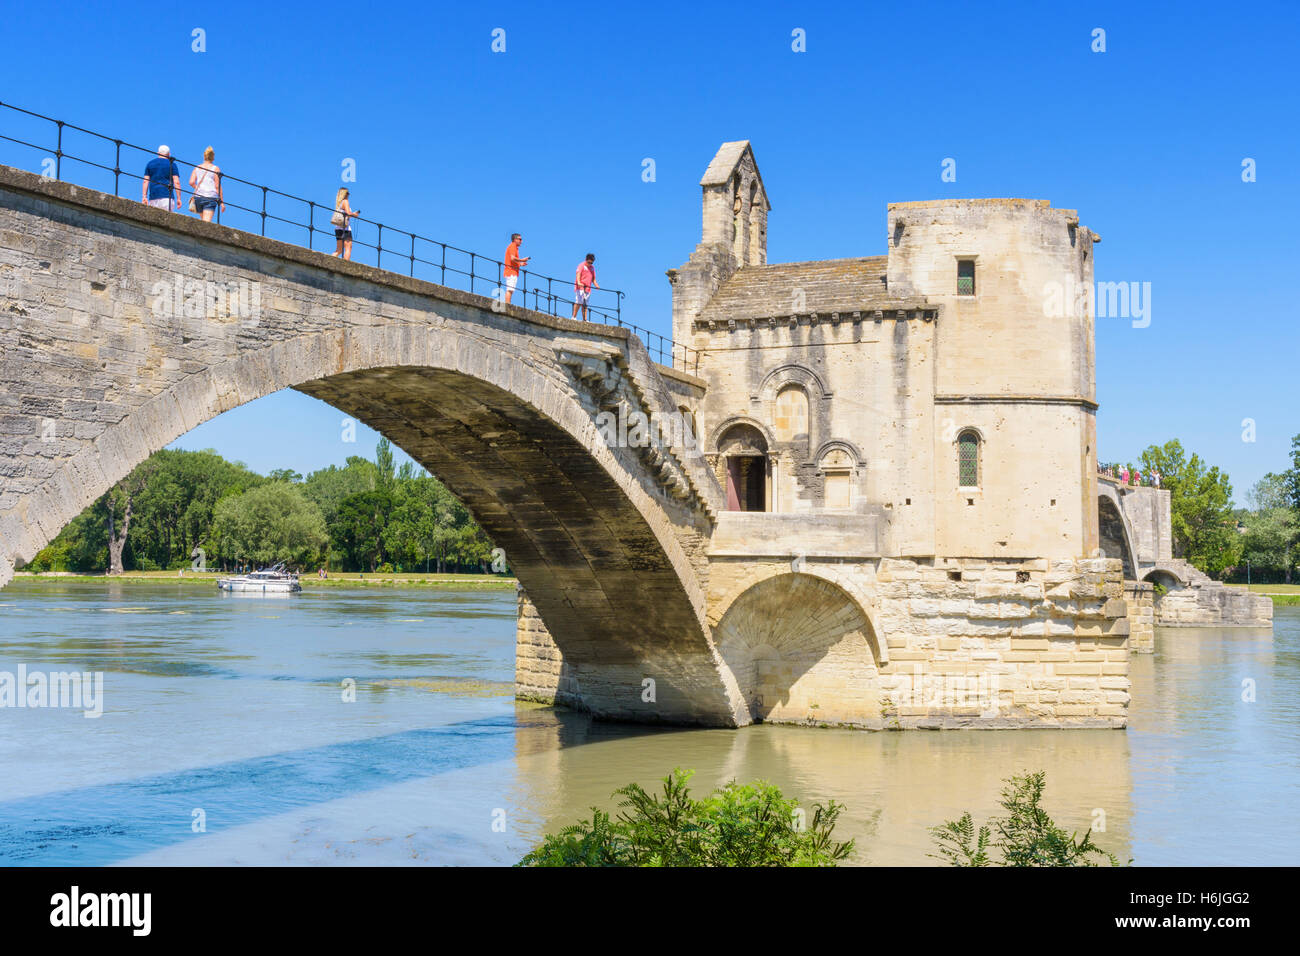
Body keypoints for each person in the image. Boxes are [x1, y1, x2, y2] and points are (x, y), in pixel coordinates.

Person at [189, 146, 224, 222]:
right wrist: (222, 202)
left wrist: (199, 188)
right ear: (213, 157)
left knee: (203, 222)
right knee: (206, 224)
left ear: (204, 156)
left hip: (198, 197)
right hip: (210, 197)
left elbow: (191, 182)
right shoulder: (215, 168)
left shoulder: (197, 167)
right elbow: (217, 186)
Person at [141, 145, 181, 211]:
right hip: (167, 197)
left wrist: (144, 197)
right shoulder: (172, 164)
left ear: (158, 153)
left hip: (153, 197)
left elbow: (145, 181)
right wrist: (179, 198)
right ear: (169, 154)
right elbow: (176, 182)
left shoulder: (150, 164)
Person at [331, 187, 360, 260]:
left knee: (339, 250)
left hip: (338, 228)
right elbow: (348, 213)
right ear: (345, 194)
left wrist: (351, 214)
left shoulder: (339, 203)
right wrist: (355, 215)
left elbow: (345, 214)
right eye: (347, 193)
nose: (348, 195)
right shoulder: (345, 201)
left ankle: (329, 260)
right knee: (348, 248)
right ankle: (345, 263)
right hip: (346, 229)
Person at [503, 233, 529, 305]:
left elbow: (513, 260)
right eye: (520, 239)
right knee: (510, 290)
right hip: (511, 271)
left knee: (511, 290)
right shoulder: (512, 246)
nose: (521, 241)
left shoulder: (513, 247)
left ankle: (508, 304)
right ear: (515, 239)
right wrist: (522, 260)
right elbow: (512, 258)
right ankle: (507, 305)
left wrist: (520, 264)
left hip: (512, 271)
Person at [572, 253, 599, 321]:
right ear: (586, 260)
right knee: (579, 301)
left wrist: (596, 285)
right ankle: (574, 317)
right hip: (580, 287)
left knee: (585, 304)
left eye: (591, 263)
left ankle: (584, 319)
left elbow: (593, 279)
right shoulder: (581, 265)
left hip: (588, 288)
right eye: (589, 262)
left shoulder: (592, 268)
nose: (590, 264)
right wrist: (578, 282)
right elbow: (578, 274)